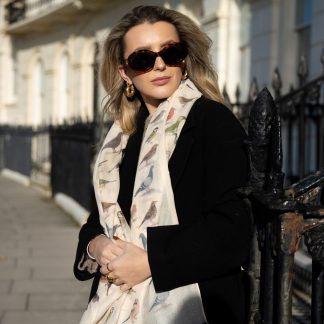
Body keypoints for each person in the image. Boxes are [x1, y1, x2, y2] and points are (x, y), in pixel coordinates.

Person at [74, 5, 251, 324]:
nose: (159, 64)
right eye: (143, 58)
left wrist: (151, 262)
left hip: (195, 301)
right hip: (118, 301)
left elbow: (232, 227)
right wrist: (96, 246)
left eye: (171, 53)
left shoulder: (212, 122)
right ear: (125, 73)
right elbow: (97, 219)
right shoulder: (123, 138)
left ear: (184, 59)